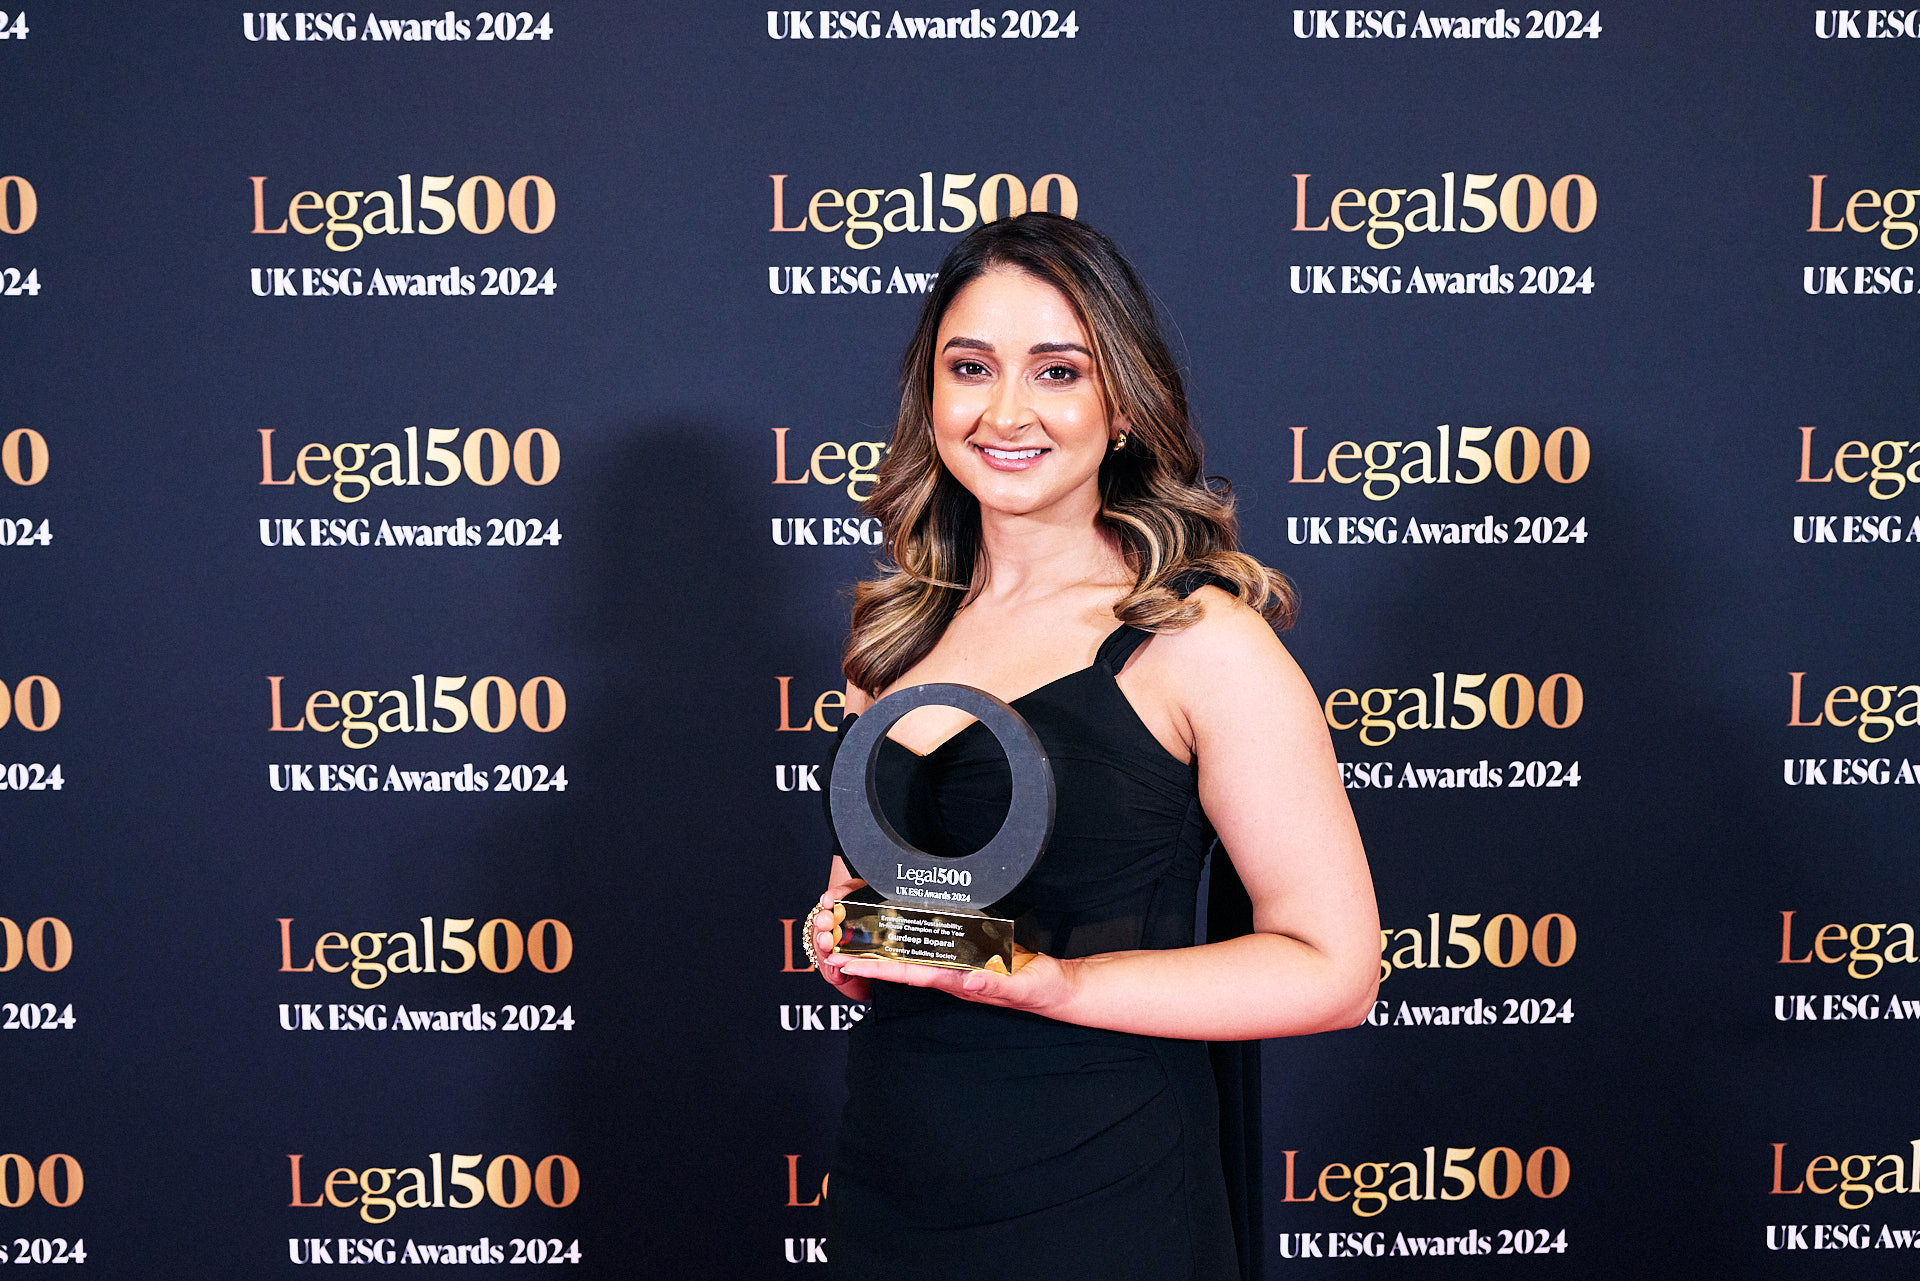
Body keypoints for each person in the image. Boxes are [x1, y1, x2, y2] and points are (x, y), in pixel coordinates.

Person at [805, 212, 1379, 1280]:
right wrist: (843, 927)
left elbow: (1335, 972)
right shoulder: (892, 632)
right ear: (930, 395)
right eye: (970, 367)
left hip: (1102, 1193)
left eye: (1057, 371)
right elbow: (875, 891)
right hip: (893, 1179)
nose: (1005, 411)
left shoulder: (1198, 640)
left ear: (1122, 406)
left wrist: (1060, 983)